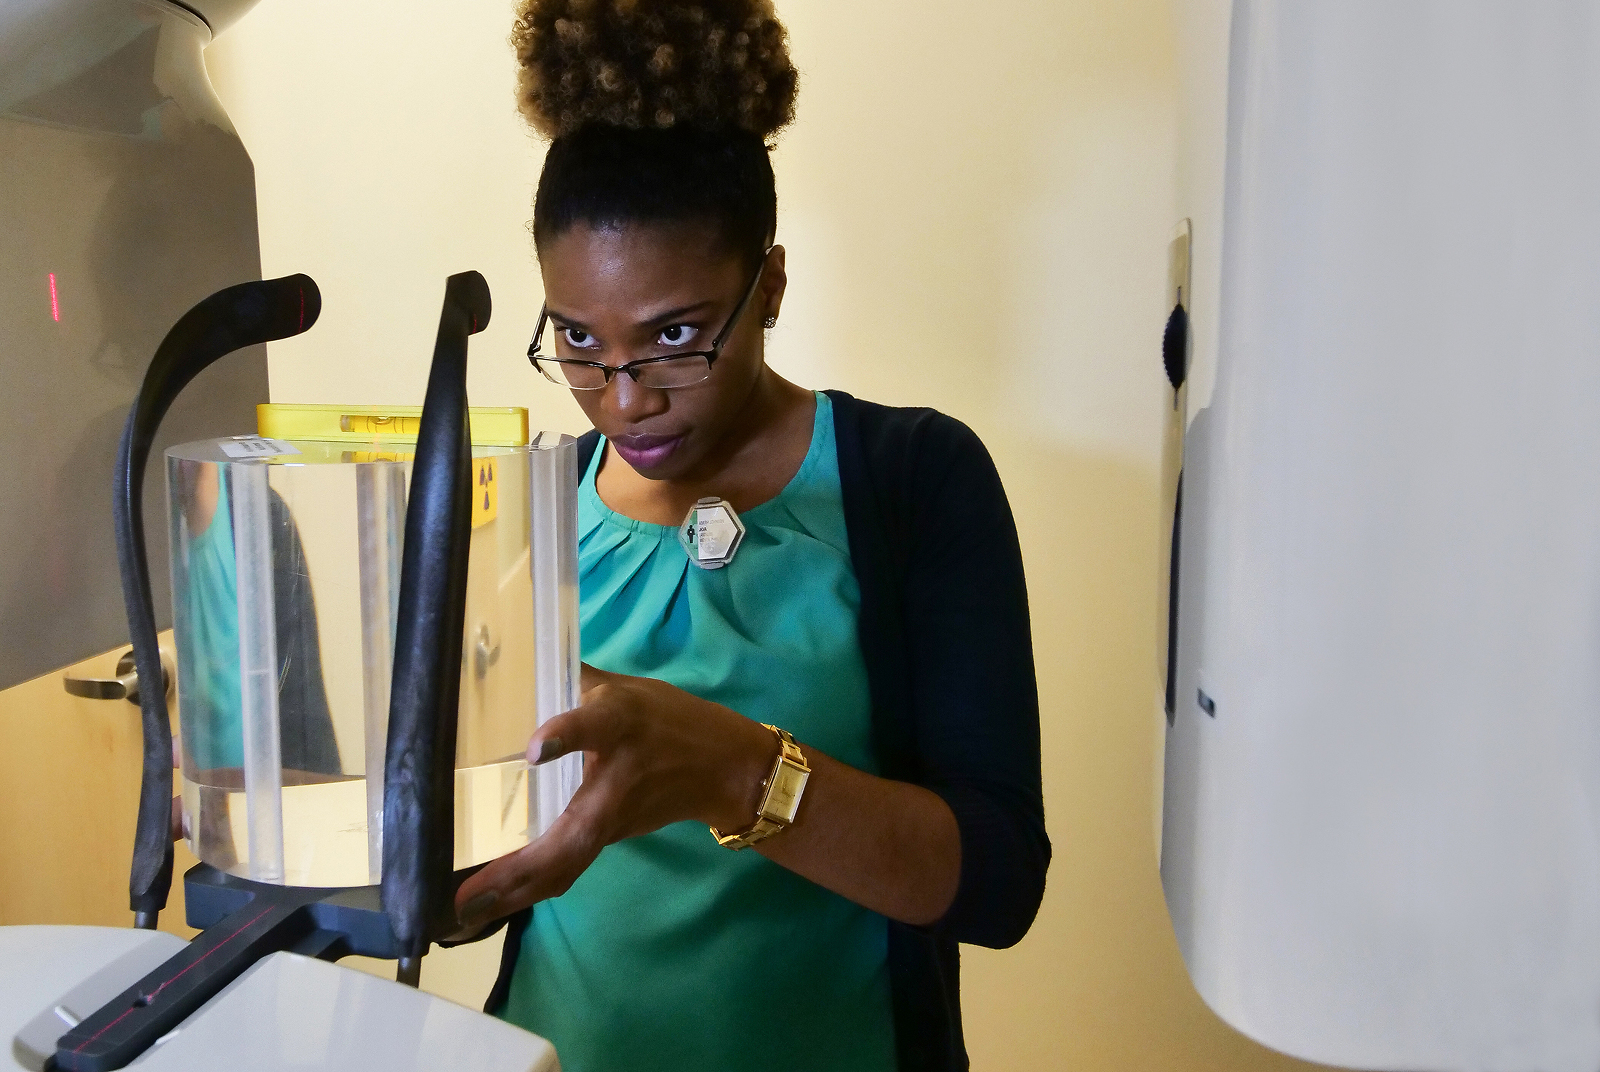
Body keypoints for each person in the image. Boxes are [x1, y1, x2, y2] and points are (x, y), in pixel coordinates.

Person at [450, 2, 1048, 1069]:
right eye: (578, 341)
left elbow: (996, 882)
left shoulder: (912, 482)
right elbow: (503, 839)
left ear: (768, 284)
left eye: (674, 337)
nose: (624, 398)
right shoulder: (530, 506)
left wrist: (730, 769)